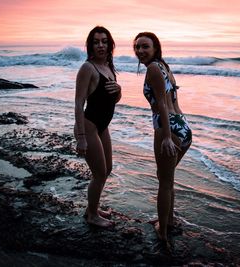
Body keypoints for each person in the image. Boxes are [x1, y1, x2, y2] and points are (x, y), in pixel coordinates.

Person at [133, 32, 192, 243]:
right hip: (183, 127)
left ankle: (163, 232)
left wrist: (166, 136)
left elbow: (162, 107)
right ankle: (169, 220)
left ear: (155, 48)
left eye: (145, 47)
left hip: (169, 129)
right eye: (137, 47)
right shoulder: (165, 67)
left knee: (164, 182)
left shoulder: (152, 68)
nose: (140, 51)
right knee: (167, 179)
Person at [74, 26, 121, 227]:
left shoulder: (109, 67)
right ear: (90, 45)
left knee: (107, 168)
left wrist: (119, 90)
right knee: (99, 173)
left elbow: (113, 99)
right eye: (96, 41)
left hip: (103, 126)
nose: (100, 45)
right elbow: (78, 103)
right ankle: (92, 215)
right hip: (89, 126)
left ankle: (91, 208)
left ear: (110, 44)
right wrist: (81, 137)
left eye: (104, 41)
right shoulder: (88, 68)